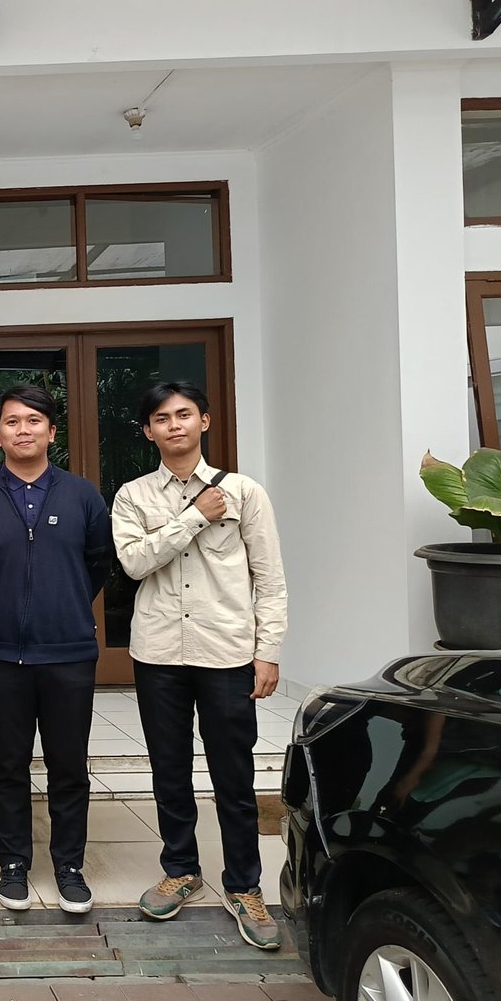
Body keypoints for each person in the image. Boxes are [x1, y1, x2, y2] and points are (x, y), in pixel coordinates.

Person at [112, 381, 288, 950]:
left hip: (227, 652)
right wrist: (192, 517)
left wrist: (268, 651)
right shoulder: (133, 496)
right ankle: (181, 870)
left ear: (204, 422)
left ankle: (245, 885)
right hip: (158, 652)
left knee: (233, 775)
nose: (175, 425)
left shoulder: (244, 492)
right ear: (148, 431)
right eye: (162, 418)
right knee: (169, 768)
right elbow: (134, 563)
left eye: (184, 414)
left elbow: (270, 578)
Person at [0, 384, 112, 916]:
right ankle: (14, 863)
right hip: (2, 656)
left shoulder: (83, 496)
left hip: (69, 654)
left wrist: (63, 605)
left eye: (34, 420)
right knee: (7, 766)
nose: (24, 430)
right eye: (13, 421)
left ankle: (69, 866)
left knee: (68, 766)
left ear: (51, 431)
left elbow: (99, 563)